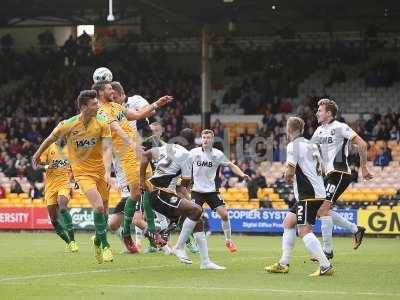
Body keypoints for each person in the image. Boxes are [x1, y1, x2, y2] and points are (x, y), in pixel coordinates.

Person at [32, 90, 113, 264]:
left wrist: (107, 171)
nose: (97, 106)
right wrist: (37, 153)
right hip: (82, 174)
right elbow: (49, 138)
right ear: (83, 107)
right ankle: (106, 246)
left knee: (104, 213)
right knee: (98, 207)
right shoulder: (67, 124)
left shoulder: (102, 123)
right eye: (94, 104)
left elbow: (107, 149)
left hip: (101, 172)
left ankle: (97, 241)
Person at [93, 81, 172, 252]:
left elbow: (138, 115)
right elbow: (115, 128)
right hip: (126, 156)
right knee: (136, 193)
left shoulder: (115, 106)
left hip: (138, 151)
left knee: (150, 188)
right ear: (100, 92)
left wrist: (157, 103)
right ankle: (129, 234)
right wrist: (131, 143)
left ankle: (153, 233)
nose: (111, 91)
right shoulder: (101, 111)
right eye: (108, 89)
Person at [140, 128, 225, 269]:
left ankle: (205, 262)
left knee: (198, 220)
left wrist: (142, 180)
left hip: (160, 194)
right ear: (192, 144)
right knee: (196, 210)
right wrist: (189, 198)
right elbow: (183, 185)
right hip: (161, 194)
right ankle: (179, 246)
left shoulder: (168, 147)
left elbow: (145, 155)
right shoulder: (187, 156)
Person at [265, 117, 334, 276]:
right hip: (317, 191)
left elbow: (290, 170)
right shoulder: (311, 144)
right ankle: (283, 263)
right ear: (301, 130)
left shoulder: (293, 146)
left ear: (288, 130)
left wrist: (287, 178)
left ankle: (325, 265)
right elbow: (322, 168)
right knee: (288, 222)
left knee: (304, 230)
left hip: (308, 194)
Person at [311, 98, 373, 258]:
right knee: (321, 210)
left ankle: (327, 251)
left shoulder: (340, 127)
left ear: (329, 113)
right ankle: (355, 229)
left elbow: (362, 144)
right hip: (328, 175)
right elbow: (310, 149)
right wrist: (317, 161)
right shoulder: (319, 130)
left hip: (340, 173)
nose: (317, 112)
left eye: (320, 110)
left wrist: (364, 167)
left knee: (323, 209)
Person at [189, 129, 250, 252]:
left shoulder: (218, 154)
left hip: (212, 191)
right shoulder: (194, 152)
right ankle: (193, 242)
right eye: (204, 137)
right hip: (197, 191)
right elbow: (182, 163)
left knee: (225, 215)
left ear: (212, 140)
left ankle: (228, 241)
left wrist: (242, 174)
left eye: (208, 138)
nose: (205, 140)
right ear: (201, 139)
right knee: (193, 217)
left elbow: (231, 165)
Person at [37, 139, 78, 252]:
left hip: (64, 184)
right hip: (50, 188)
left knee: (63, 207)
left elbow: (75, 167)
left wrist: (76, 180)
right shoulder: (48, 148)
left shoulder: (71, 149)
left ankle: (73, 241)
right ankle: (68, 243)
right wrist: (47, 167)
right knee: (54, 220)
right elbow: (37, 164)